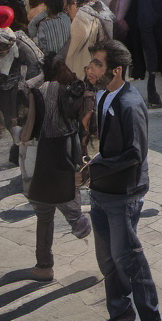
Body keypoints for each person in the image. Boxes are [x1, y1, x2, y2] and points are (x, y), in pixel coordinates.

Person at [84, 38, 161, 321]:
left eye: (97, 64)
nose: (89, 69)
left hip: (123, 196)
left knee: (129, 260)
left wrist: (94, 168)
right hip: (101, 192)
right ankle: (120, 312)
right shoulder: (104, 95)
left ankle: (150, 316)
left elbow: (135, 154)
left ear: (115, 70)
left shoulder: (130, 103)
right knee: (107, 260)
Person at [19, 52, 91, 282]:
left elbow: (30, 124)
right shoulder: (75, 89)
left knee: (44, 212)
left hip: (44, 153)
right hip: (68, 149)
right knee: (66, 193)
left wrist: (22, 141)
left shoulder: (39, 91)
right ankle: (79, 224)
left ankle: (44, 266)